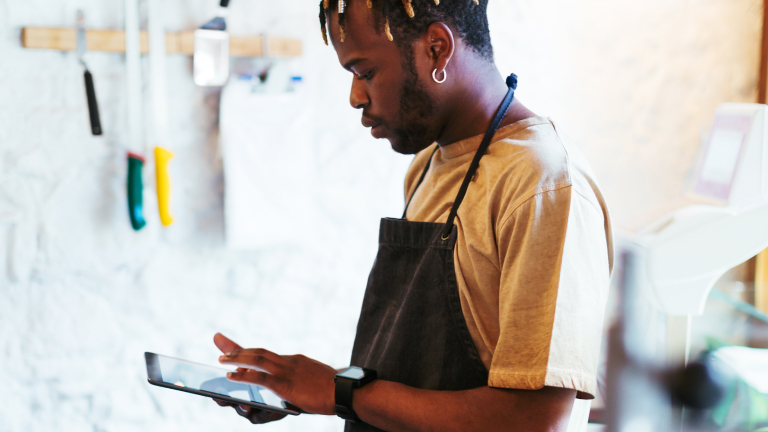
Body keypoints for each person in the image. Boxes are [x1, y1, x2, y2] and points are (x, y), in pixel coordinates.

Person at [214, 0, 613, 430]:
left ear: (437, 49)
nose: (355, 97)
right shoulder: (427, 165)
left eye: (365, 72)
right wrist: (306, 388)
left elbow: (537, 421)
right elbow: (418, 375)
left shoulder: (542, 183)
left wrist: (341, 392)